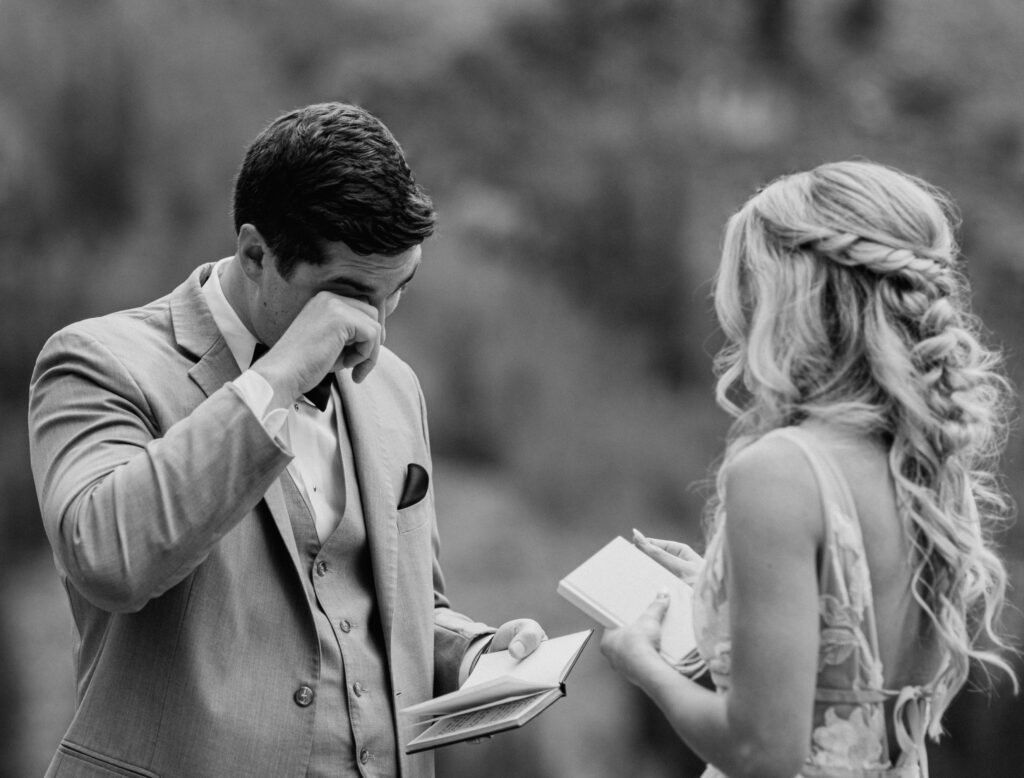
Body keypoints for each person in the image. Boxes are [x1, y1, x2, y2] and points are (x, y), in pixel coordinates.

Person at [28, 102, 546, 778]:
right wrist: (279, 374)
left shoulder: (395, 386)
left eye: (398, 291)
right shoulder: (100, 361)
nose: (377, 325)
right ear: (254, 254)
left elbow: (382, 605)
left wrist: (473, 654)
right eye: (347, 295)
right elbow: (109, 558)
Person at [599, 161, 1018, 778]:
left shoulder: (779, 472)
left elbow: (762, 753)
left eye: (750, 289)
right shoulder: (927, 467)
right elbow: (856, 673)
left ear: (791, 296)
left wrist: (644, 664)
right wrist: (729, 592)